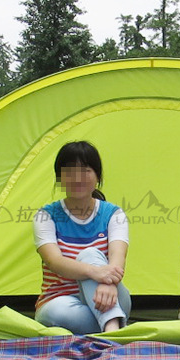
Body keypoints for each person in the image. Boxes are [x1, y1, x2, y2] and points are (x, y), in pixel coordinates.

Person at [33, 141, 130, 334]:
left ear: (97, 176)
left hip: (110, 294)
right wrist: (96, 273)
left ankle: (109, 329)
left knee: (89, 253)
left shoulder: (114, 214)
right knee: (61, 315)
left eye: (85, 170)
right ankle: (114, 329)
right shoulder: (46, 216)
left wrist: (107, 282)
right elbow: (55, 262)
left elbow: (118, 260)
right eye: (69, 171)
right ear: (59, 177)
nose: (77, 178)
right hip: (60, 300)